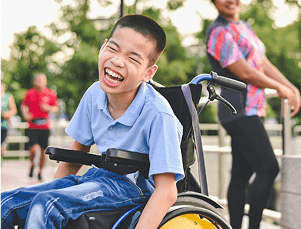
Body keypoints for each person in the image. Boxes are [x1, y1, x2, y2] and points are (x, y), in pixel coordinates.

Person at [1, 14, 184, 229]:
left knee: (47, 206)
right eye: (113, 49)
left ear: (148, 73)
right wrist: (54, 189)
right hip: (97, 176)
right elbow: (76, 154)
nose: (117, 60)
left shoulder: (158, 114)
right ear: (103, 48)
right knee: (7, 203)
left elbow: (167, 190)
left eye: (133, 58)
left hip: (133, 184)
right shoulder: (95, 93)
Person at [205, 0, 301, 228]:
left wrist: (290, 87)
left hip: (253, 109)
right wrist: (280, 88)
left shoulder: (245, 28)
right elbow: (244, 71)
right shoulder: (218, 32)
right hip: (237, 109)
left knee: (241, 174)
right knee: (268, 167)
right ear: (214, 1)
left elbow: (263, 64)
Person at [21, 73, 59, 180]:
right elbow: (23, 105)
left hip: (44, 126)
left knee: (43, 151)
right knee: (33, 149)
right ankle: (32, 164)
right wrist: (26, 114)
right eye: (38, 80)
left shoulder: (51, 93)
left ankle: (40, 171)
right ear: (35, 81)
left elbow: (55, 108)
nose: (40, 82)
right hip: (32, 125)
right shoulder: (29, 93)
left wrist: (48, 108)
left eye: (43, 80)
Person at [0, 81, 18, 156]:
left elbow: (14, 110)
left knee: (2, 146)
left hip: (4, 125)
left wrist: (7, 114)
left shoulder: (8, 96)